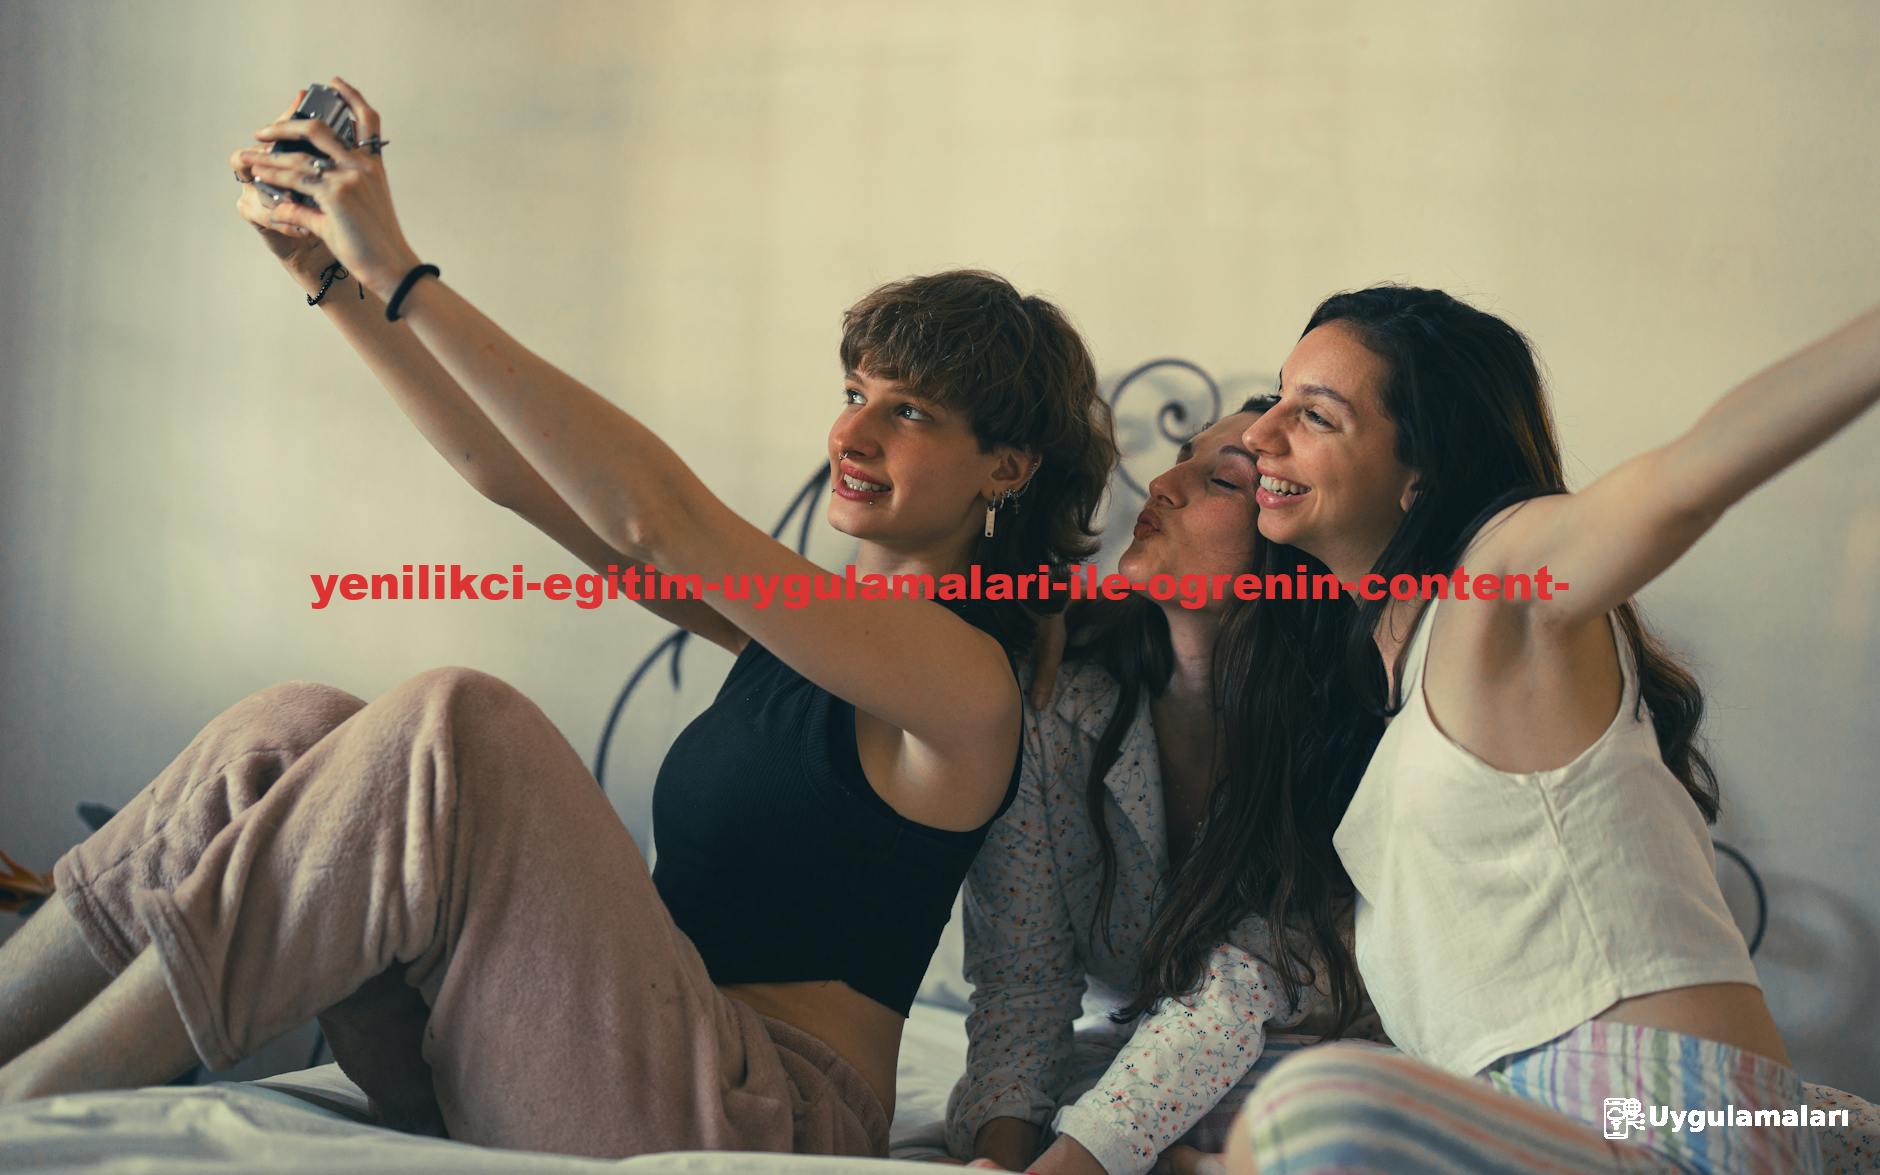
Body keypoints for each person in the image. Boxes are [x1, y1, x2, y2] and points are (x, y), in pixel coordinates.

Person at [0, 79, 1118, 1163]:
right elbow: (510, 473)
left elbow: (655, 521)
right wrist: (334, 282)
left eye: (909, 409)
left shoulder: (967, 687)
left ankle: (31, 1100)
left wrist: (400, 267)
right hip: (569, 1047)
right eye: (854, 390)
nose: (854, 429)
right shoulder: (785, 637)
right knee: (290, 727)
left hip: (743, 1101)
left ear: (1005, 468)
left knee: (461, 720)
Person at [1218, 284, 1880, 1173]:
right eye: (1279, 399)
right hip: (1543, 1125)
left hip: (1669, 1123)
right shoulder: (1389, 697)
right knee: (1261, 1104)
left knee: (1309, 1110)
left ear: (1424, 471)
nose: (1261, 432)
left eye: (1317, 414)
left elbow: (1685, 481)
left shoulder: (1498, 584)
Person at [948, 406, 1387, 1175]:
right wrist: (1000, 1160)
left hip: (1323, 1064)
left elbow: (1232, 994)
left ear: (1291, 542)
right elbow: (1024, 984)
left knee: (1305, 1111)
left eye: (1219, 479)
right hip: (1147, 1055)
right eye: (1181, 457)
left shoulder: (1342, 736)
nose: (1162, 482)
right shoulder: (1054, 701)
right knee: (1069, 1093)